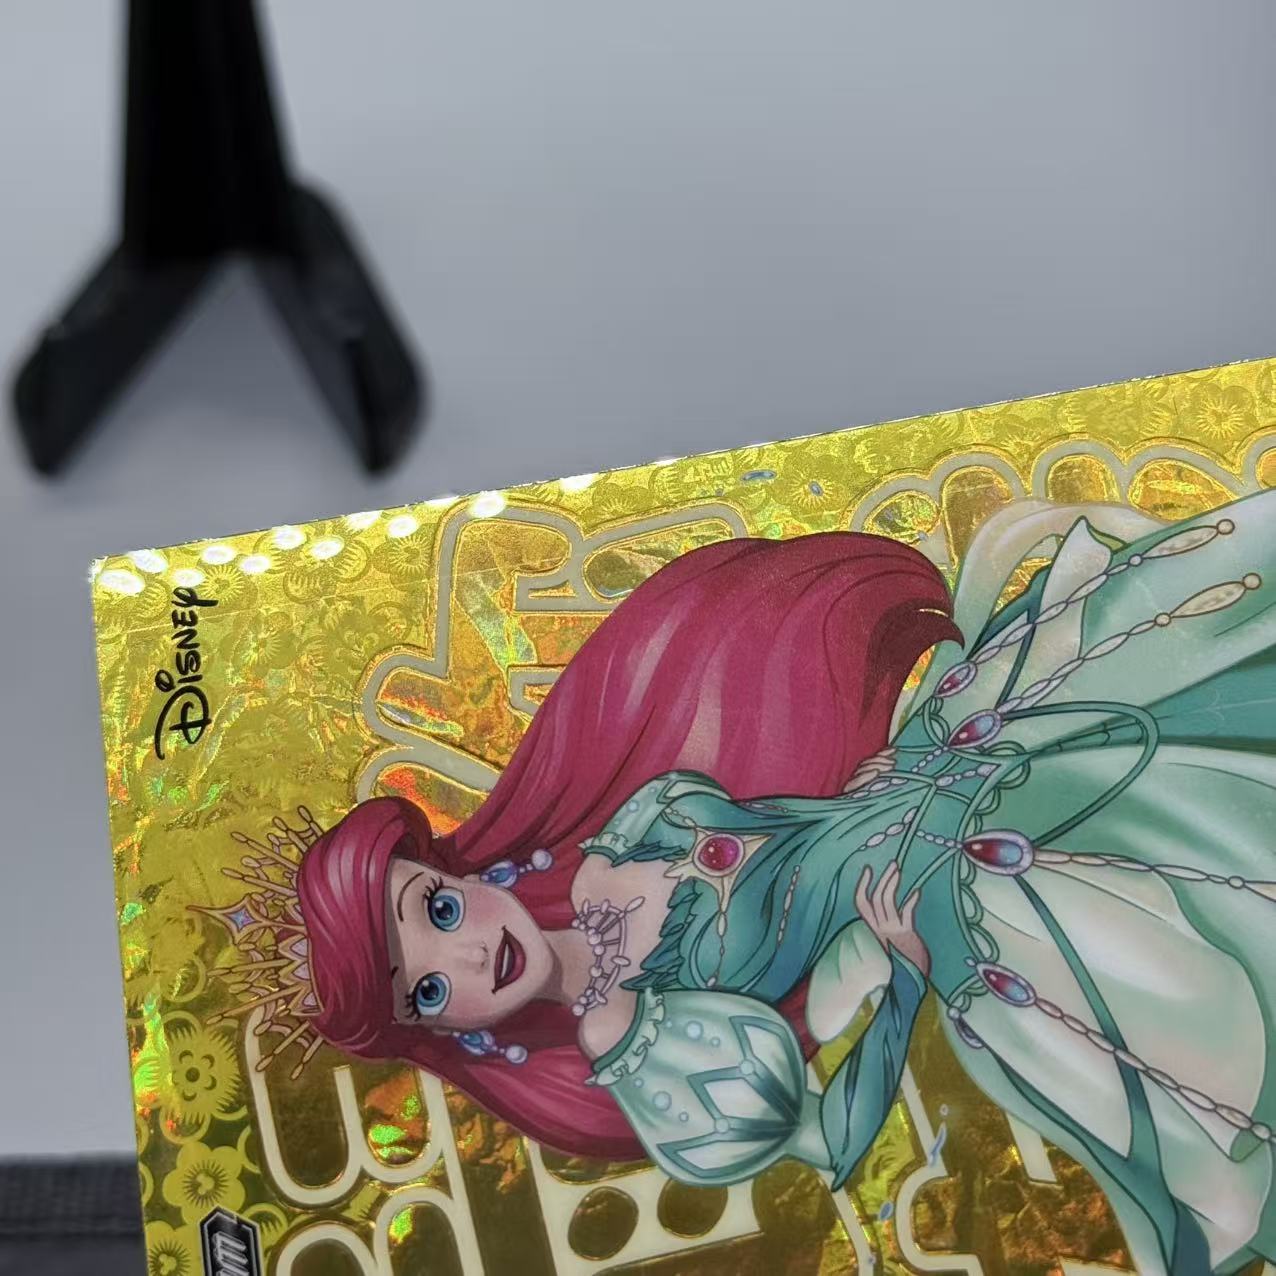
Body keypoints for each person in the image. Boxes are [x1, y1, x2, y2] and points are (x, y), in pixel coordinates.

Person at [216, 494, 1276, 1276]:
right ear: (443, 1034)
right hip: (965, 917)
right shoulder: (636, 1055)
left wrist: (861, 783)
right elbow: (830, 1142)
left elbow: (772, 809)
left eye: (437, 910)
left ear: (453, 869)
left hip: (945, 757)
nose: (465, 952)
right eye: (429, 988)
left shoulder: (617, 840)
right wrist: (903, 971)